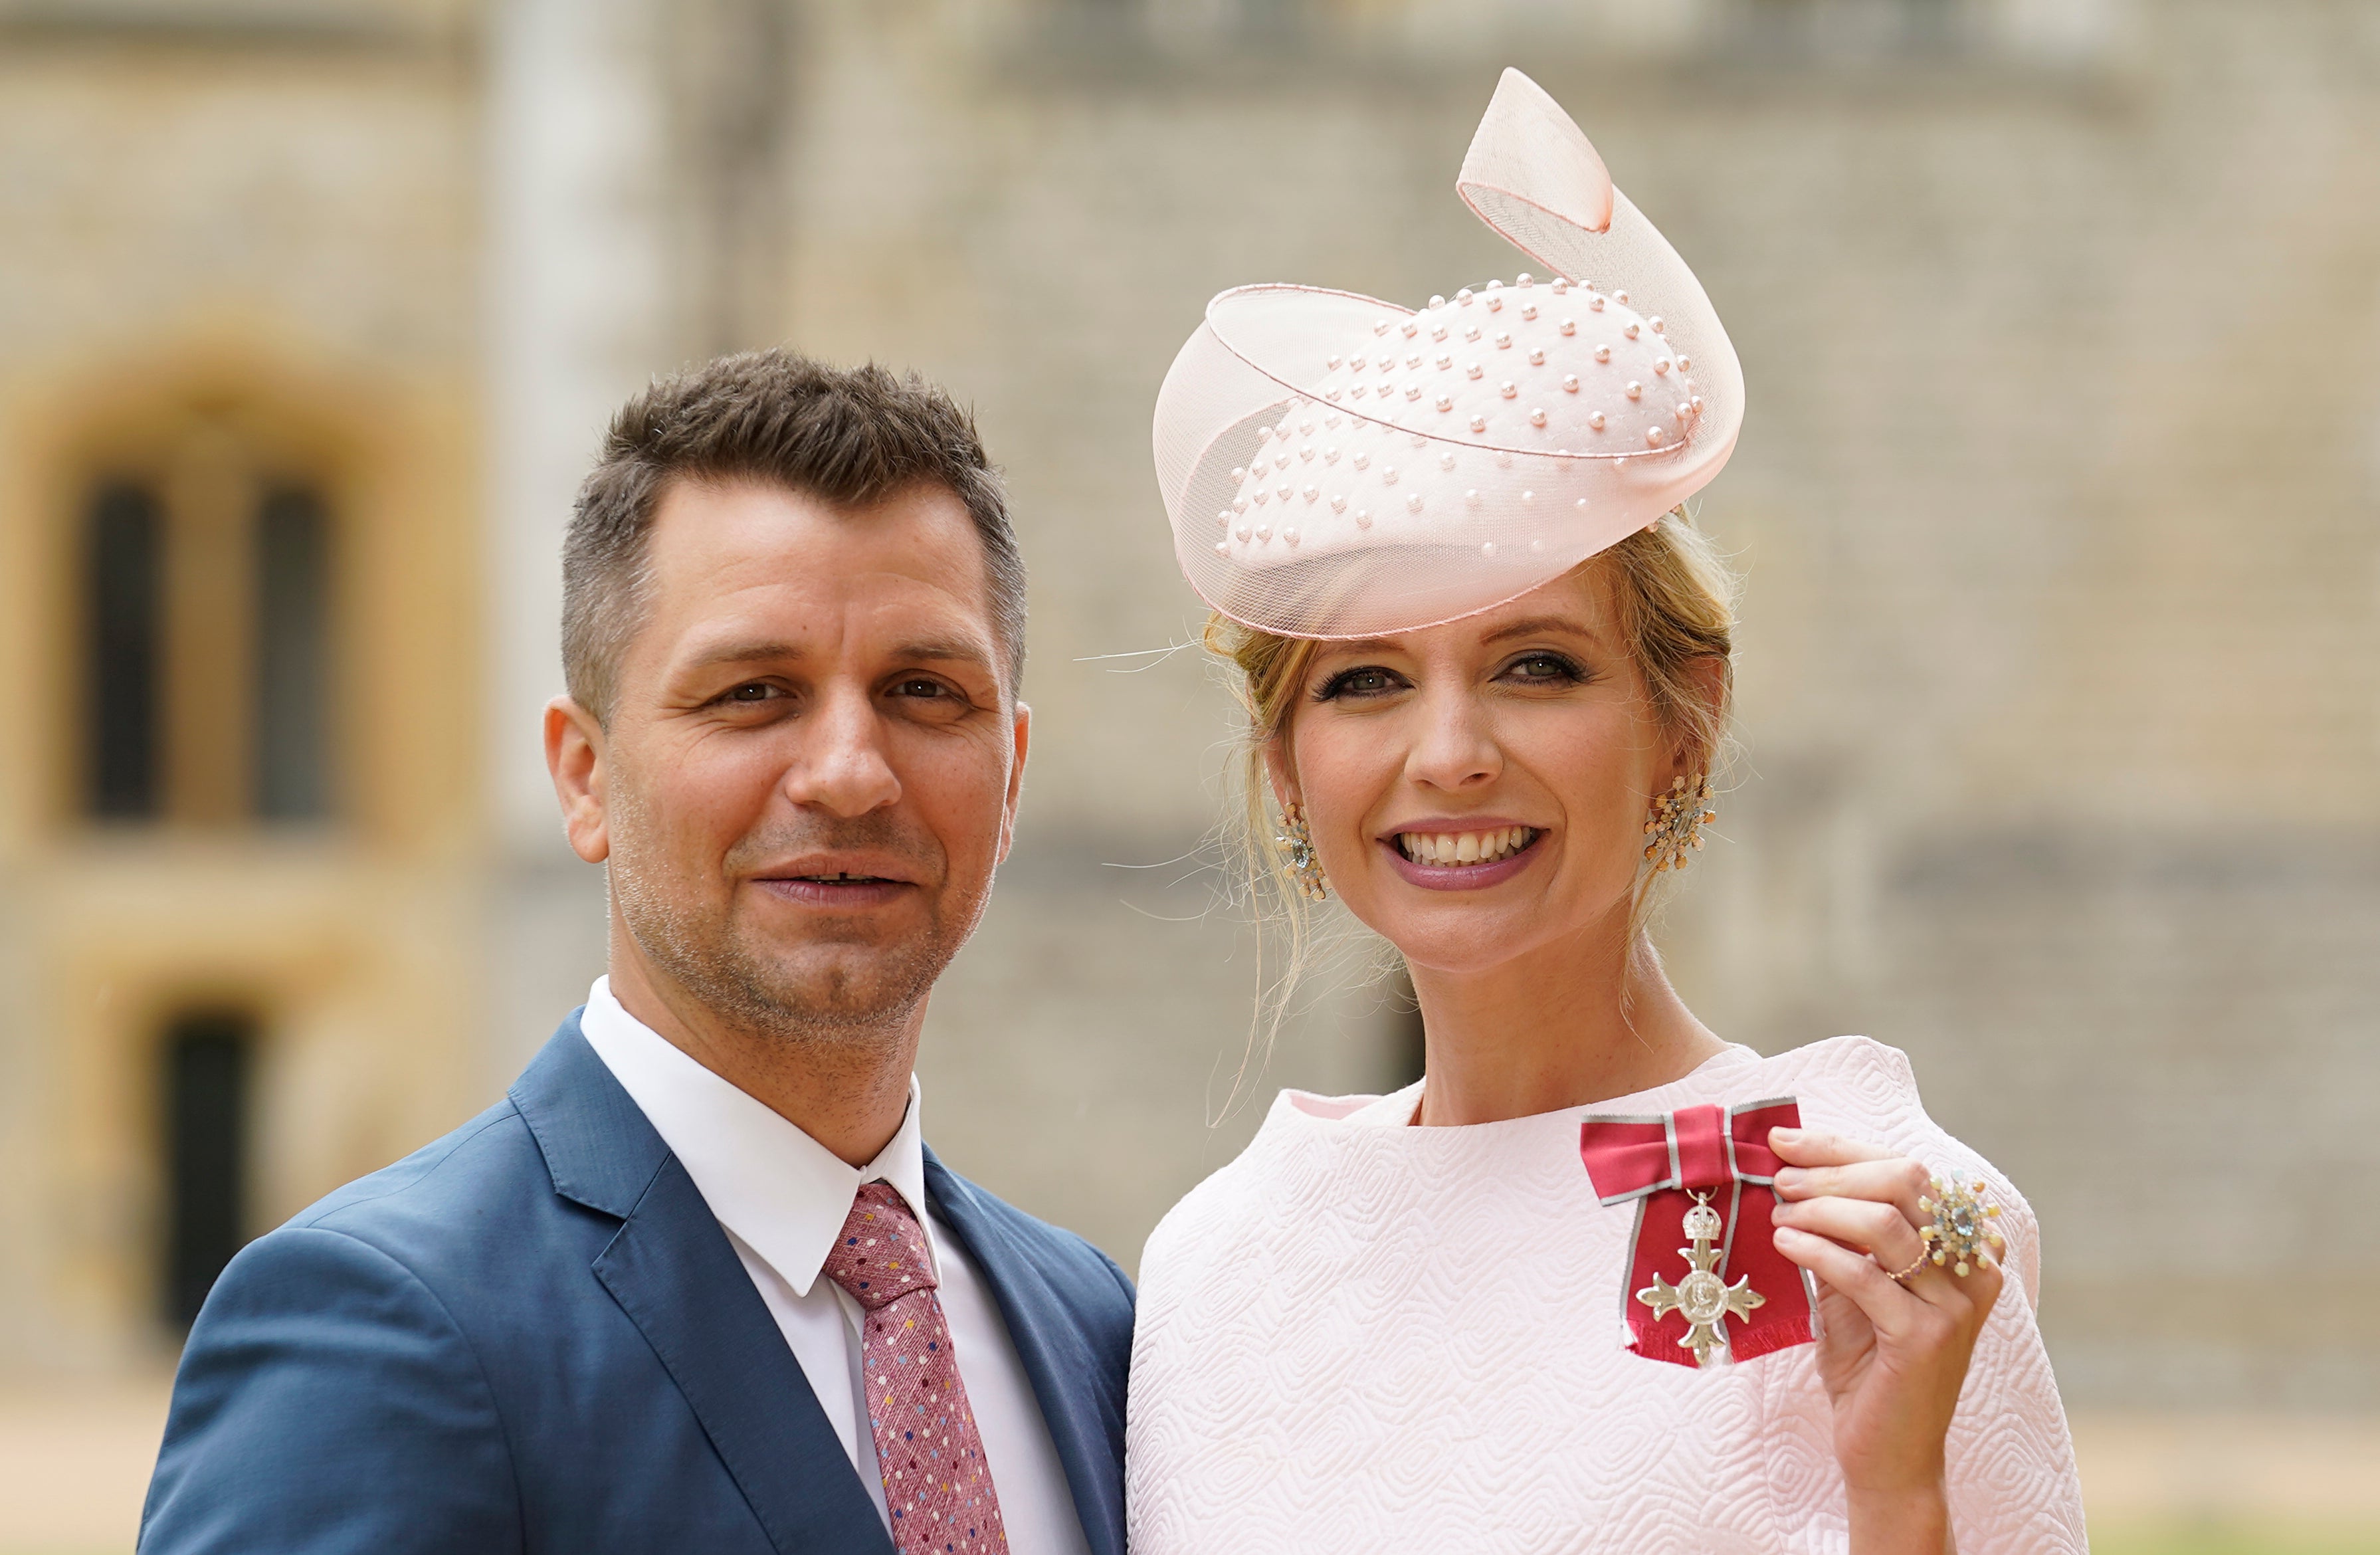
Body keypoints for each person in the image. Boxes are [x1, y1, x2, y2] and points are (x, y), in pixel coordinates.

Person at [1125, 71, 2086, 1554]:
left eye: (1535, 665)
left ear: (1682, 722)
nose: (1450, 753)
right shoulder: (1210, 1270)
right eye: (1368, 681)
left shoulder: (1894, 1224)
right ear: (1284, 766)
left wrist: (1901, 1498)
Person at [141, 354, 1133, 1555]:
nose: (850, 773)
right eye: (753, 692)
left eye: (923, 691)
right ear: (584, 777)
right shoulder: (388, 1326)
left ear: (1012, 773)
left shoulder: (1091, 1325)